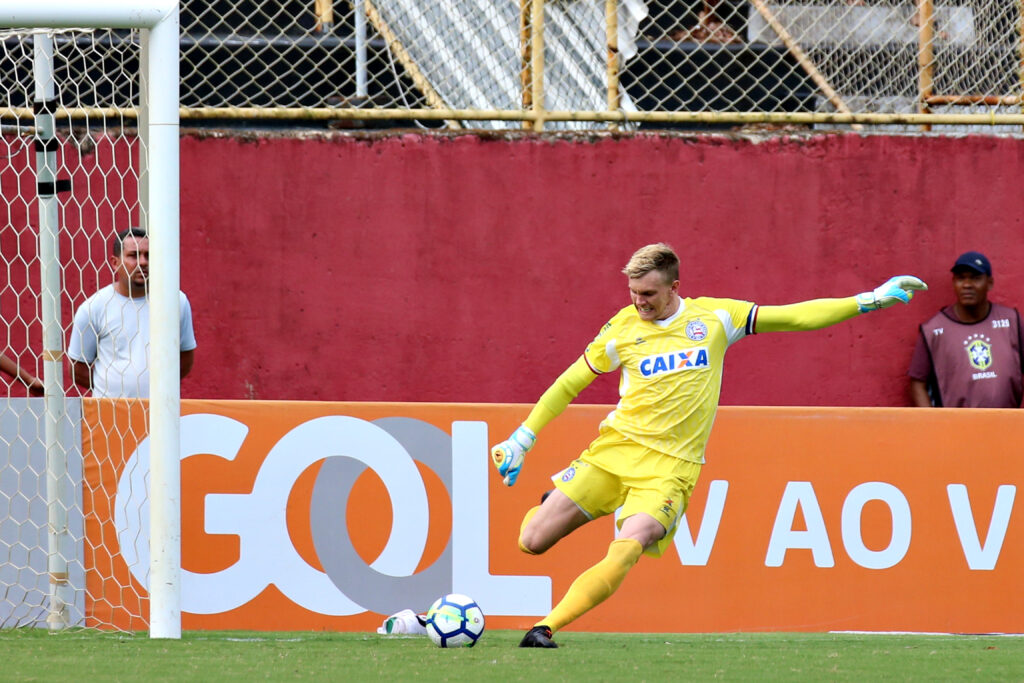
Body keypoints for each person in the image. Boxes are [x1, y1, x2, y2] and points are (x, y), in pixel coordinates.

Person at [491, 243, 926, 648]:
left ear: (675, 287)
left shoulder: (716, 318)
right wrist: (522, 438)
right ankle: (552, 501)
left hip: (671, 470)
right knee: (531, 540)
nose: (639, 302)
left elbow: (794, 317)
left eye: (648, 293)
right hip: (614, 452)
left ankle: (546, 627)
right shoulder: (621, 329)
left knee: (631, 542)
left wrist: (869, 299)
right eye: (632, 292)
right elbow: (569, 383)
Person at [68, 227, 197, 398]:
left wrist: (158, 388)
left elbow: (185, 357)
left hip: (161, 415)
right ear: (115, 263)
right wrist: (110, 388)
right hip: (110, 414)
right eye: (133, 256)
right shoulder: (94, 307)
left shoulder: (175, 301)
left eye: (148, 256)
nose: (143, 262)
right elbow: (77, 367)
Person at [908, 251, 1022, 408]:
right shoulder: (933, 331)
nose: (967, 285)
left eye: (975, 278)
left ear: (990, 283)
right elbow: (917, 383)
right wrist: (933, 425)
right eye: (961, 278)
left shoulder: (1012, 322)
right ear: (954, 282)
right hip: (955, 429)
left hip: (1007, 426)